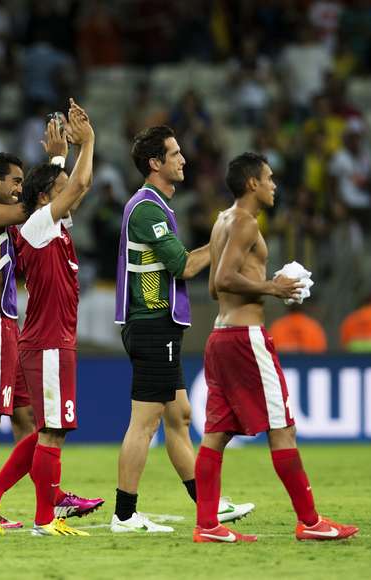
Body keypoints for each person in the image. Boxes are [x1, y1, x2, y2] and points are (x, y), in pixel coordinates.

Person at [193, 152, 358, 543]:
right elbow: (226, 276)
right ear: (252, 183)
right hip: (246, 339)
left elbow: (215, 286)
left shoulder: (222, 221)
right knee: (283, 428)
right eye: (268, 178)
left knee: (215, 434)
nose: (273, 185)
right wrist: (273, 287)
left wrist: (268, 283)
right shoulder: (247, 222)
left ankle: (207, 526)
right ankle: (311, 522)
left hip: (220, 336)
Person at [0, 121, 100, 530]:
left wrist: (56, 168)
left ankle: (47, 496)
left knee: (28, 416)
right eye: (13, 180)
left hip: (7, 325)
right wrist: (58, 161)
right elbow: (43, 204)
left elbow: (50, 204)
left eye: (22, 182)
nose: (18, 188)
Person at [113, 126, 254, 533]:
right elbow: (184, 266)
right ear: (155, 164)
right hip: (152, 325)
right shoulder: (147, 209)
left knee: (180, 417)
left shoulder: (156, 207)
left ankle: (209, 504)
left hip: (160, 327)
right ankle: (124, 514)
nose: (183, 160)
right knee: (146, 422)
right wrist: (225, 234)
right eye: (174, 154)